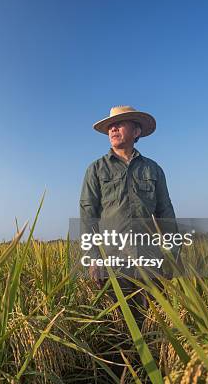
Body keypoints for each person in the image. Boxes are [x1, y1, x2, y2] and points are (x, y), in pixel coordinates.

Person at [79, 105, 176, 323]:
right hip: (112, 259)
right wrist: (93, 258)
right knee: (119, 323)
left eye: (119, 124)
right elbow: (87, 215)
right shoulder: (96, 169)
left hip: (149, 259)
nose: (112, 129)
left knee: (152, 319)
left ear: (136, 131)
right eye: (109, 126)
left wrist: (171, 255)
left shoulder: (153, 170)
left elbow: (165, 213)